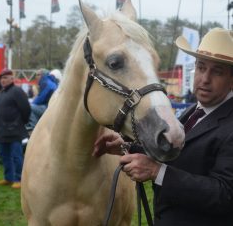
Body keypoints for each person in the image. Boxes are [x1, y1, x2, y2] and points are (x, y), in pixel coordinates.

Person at [92, 28, 233, 225]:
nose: (205, 78)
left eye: (217, 72)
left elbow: (225, 195)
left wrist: (158, 172)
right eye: (201, 67)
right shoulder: (193, 111)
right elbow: (178, 153)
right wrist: (127, 147)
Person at [0, 69, 31, 189]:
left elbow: (26, 109)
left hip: (15, 130)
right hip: (2, 130)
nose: (3, 80)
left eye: (5, 78)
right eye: (1, 78)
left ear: (12, 79)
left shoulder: (17, 91)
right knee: (5, 156)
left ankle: (19, 179)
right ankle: (8, 178)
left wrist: (19, 123)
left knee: (16, 156)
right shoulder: (1, 92)